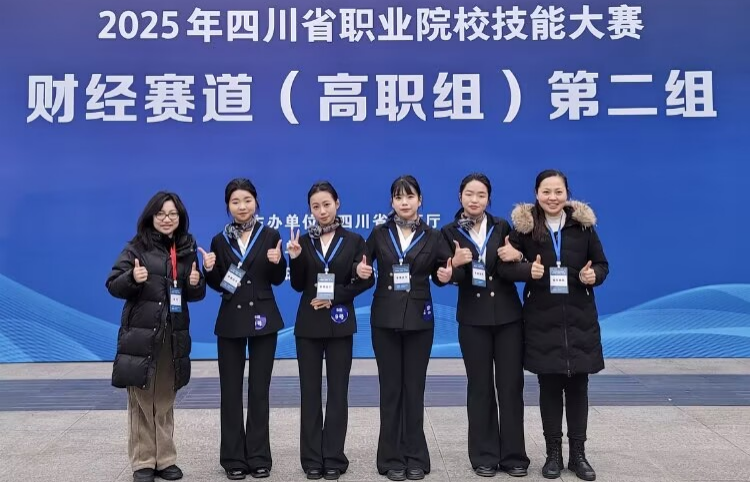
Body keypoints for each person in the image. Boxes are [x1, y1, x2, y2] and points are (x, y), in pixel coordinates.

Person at [505, 169, 609, 481]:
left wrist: (594, 276)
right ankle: (553, 454)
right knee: (548, 388)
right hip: (542, 320)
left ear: (567, 193)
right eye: (546, 192)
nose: (552, 197)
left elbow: (602, 264)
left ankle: (578, 455)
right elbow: (505, 268)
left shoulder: (583, 226)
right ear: (536, 194)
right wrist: (527, 270)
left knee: (578, 389)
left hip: (579, 319)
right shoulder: (524, 229)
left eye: (558, 191)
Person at [357, 175, 452, 482]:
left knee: (414, 389)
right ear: (392, 202)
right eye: (398, 197)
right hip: (384, 320)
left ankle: (415, 457)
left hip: (419, 321)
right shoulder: (379, 233)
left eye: (410, 196)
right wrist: (360, 271)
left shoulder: (434, 235)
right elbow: (362, 267)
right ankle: (390, 458)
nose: (405, 202)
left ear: (420, 200)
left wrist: (445, 276)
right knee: (391, 389)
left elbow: (443, 273)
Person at [106, 191, 206, 482]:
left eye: (172, 214)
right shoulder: (136, 247)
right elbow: (113, 284)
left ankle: (165, 459)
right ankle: (143, 461)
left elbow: (193, 294)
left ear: (180, 217)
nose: (166, 219)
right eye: (161, 214)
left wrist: (196, 283)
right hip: (141, 335)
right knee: (141, 400)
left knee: (164, 399)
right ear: (151, 217)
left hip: (172, 337)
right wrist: (132, 279)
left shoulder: (186, 248)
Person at [440, 173, 530, 478]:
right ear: (460, 197)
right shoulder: (449, 232)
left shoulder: (502, 226)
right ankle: (484, 455)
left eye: (481, 195)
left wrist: (518, 254)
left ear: (489, 198)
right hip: (473, 320)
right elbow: (450, 276)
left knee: (511, 386)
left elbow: (515, 266)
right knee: (479, 387)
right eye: (469, 194)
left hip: (508, 319)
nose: (474, 200)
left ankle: (514, 456)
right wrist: (455, 265)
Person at [201, 178, 287, 480]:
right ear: (228, 206)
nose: (242, 206)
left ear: (256, 202)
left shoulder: (270, 234)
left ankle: (259, 457)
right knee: (231, 391)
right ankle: (233, 458)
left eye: (247, 200)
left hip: (264, 318)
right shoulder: (219, 240)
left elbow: (277, 278)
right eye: (235, 201)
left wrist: (278, 262)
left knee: (259, 390)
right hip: (231, 321)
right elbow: (219, 284)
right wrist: (209, 269)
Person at [287, 181, 372, 481]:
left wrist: (335, 295)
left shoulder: (354, 240)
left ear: (337, 203)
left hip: (339, 322)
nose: (322, 211)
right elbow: (298, 284)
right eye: (315, 206)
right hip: (308, 325)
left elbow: (365, 281)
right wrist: (295, 258)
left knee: (338, 393)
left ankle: (334, 457)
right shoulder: (303, 241)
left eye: (326, 204)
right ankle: (312, 459)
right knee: (310, 393)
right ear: (310, 210)